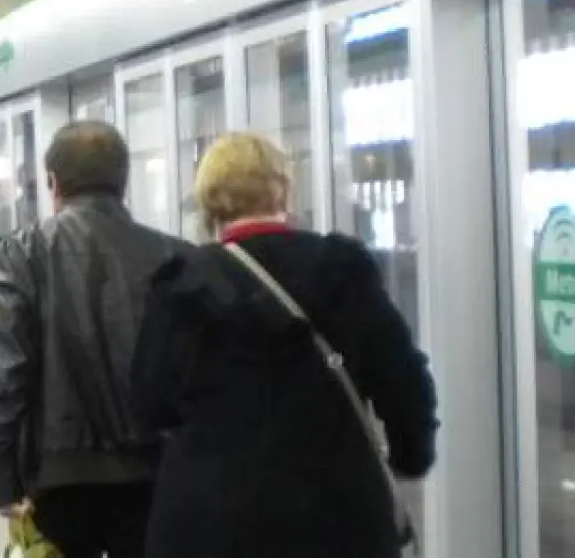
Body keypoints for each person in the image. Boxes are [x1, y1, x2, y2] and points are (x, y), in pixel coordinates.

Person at [131, 133, 439, 558]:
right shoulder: (340, 270)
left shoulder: (182, 285)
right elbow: (404, 379)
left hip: (211, 521)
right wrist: (410, 457)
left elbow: (148, 404)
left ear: (208, 201)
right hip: (333, 516)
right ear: (284, 189)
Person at [0, 121, 188, 558]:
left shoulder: (19, 255)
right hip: (156, 469)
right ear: (123, 180)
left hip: (57, 475)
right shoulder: (176, 257)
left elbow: (3, 374)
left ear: (53, 183)